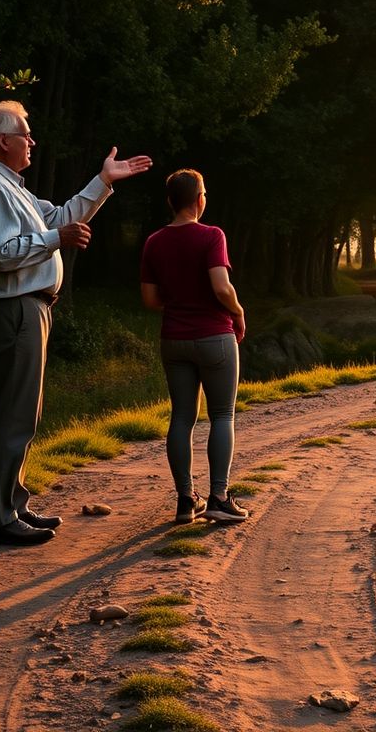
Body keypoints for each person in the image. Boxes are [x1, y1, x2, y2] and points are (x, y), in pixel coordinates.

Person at [0, 101, 152, 546]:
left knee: (23, 412)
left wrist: (103, 182)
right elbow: (2, 252)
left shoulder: (11, 186)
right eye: (25, 134)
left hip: (25, 309)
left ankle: (12, 505)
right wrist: (55, 241)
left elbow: (61, 217)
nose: (32, 141)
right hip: (10, 309)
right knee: (12, 414)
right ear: (2, 142)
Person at [139, 169, 250, 525]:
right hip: (214, 337)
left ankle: (186, 500)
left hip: (173, 339)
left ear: (170, 201)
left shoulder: (154, 241)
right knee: (222, 415)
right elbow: (221, 286)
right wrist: (238, 310)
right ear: (200, 199)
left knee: (182, 417)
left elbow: (150, 299)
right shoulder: (212, 235)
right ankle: (219, 497)